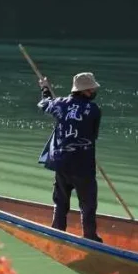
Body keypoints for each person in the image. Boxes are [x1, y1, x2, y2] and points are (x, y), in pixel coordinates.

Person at [36, 72, 103, 242]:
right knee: (87, 204)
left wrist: (45, 88)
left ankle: (57, 233)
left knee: (61, 202)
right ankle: (90, 237)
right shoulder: (93, 110)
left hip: (62, 163)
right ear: (85, 91)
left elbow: (45, 104)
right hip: (83, 165)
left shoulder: (60, 104)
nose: (94, 91)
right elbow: (93, 135)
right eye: (91, 89)